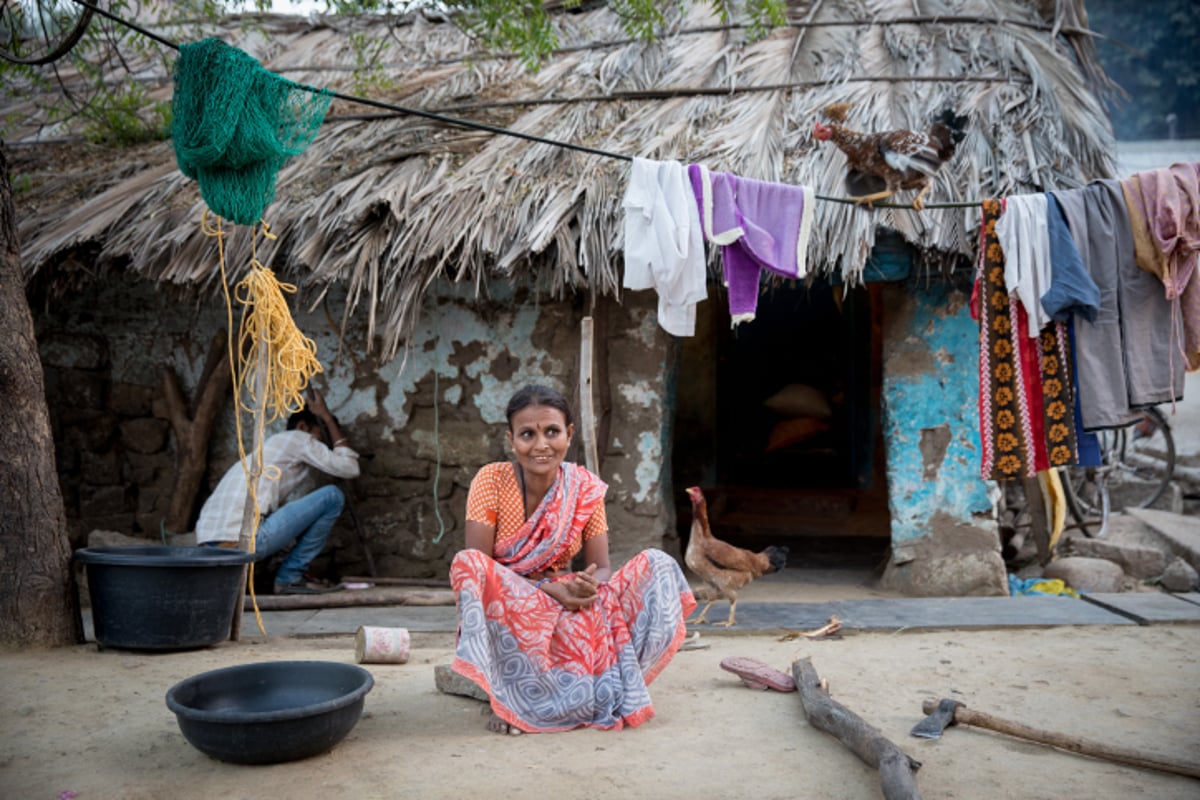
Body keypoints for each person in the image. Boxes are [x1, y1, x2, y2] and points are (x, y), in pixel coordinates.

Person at [450, 384, 697, 734]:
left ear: (568, 434)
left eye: (552, 432)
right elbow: (481, 570)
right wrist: (549, 591)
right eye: (527, 434)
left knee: (658, 563)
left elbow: (604, 565)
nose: (541, 445)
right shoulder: (491, 480)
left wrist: (587, 585)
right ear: (511, 439)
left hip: (573, 605)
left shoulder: (584, 488)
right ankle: (511, 698)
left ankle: (600, 686)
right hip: (514, 609)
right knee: (466, 564)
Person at [195, 388, 360, 594]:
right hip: (239, 541)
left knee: (286, 527)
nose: (323, 445)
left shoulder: (269, 451)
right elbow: (350, 468)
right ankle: (289, 578)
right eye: (320, 435)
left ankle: (276, 576)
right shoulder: (298, 438)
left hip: (209, 545)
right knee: (332, 496)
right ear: (302, 427)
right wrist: (326, 417)